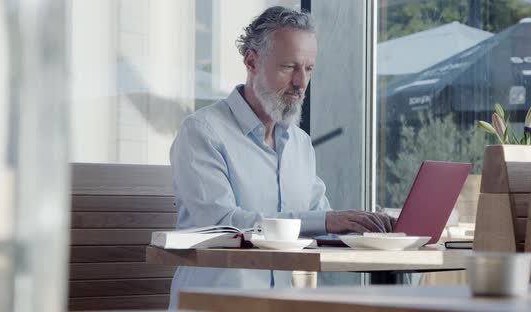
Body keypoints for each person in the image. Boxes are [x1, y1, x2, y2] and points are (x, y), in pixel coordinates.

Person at [168, 6, 395, 308]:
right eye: (289, 67)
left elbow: (320, 223)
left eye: (309, 69)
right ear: (251, 60)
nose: (301, 83)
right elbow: (223, 224)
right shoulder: (202, 132)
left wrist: (370, 231)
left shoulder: (299, 143)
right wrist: (328, 220)